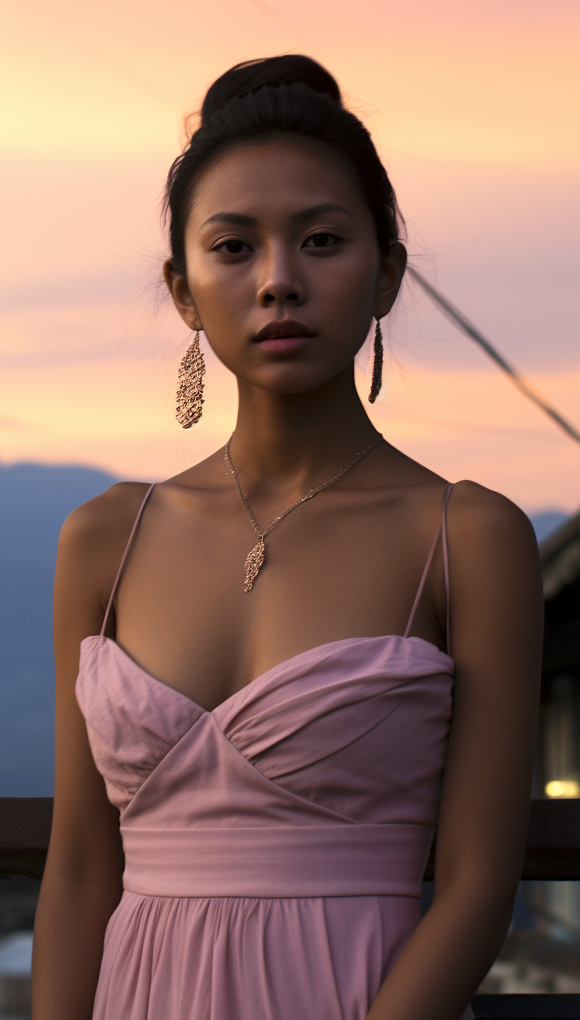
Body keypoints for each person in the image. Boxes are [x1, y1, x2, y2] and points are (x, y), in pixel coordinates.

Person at [31, 55, 542, 1020]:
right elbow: (79, 872)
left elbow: (478, 884)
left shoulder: (466, 536)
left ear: (386, 272)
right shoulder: (105, 537)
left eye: (320, 239)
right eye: (233, 247)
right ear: (182, 290)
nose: (278, 281)